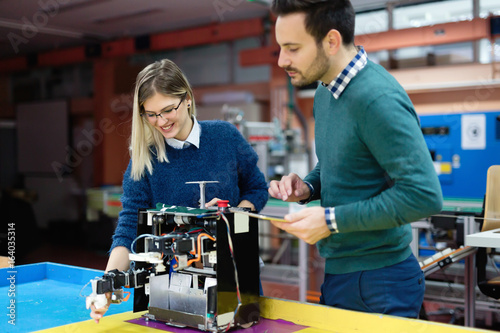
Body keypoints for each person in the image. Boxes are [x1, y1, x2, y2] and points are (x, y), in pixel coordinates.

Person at [268, 0, 443, 318]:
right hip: (341, 273)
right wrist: (307, 187)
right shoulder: (326, 91)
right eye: (280, 47)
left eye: (292, 48)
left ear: (331, 41)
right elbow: (339, 161)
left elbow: (423, 195)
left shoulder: (377, 98)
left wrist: (330, 220)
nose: (282, 60)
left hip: (380, 282)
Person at [90, 58, 268, 323]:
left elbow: (257, 189)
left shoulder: (225, 138)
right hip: (166, 294)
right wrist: (106, 286)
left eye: (167, 109)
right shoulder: (144, 159)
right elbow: (128, 228)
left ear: (186, 98)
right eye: (151, 114)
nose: (161, 121)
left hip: (232, 288)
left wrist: (233, 214)